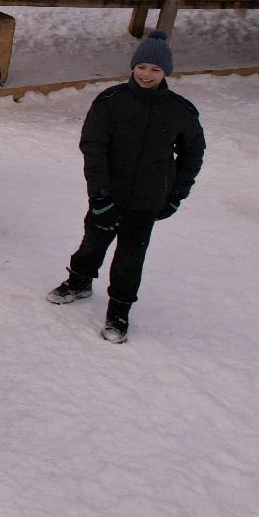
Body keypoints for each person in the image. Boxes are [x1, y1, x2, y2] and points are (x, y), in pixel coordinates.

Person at [46, 30, 205, 343]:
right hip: (109, 192)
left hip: (147, 199)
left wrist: (176, 194)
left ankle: (119, 310)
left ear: (166, 72)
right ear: (133, 66)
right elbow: (93, 149)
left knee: (131, 256)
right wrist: (100, 196)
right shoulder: (111, 101)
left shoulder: (179, 110)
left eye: (155, 69)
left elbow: (193, 154)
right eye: (142, 67)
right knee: (93, 242)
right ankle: (79, 282)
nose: (147, 74)